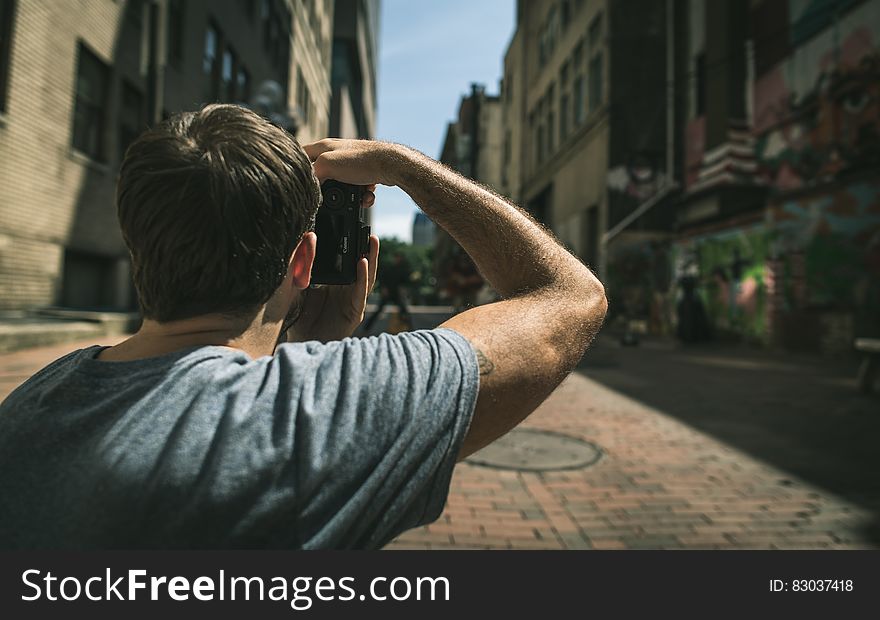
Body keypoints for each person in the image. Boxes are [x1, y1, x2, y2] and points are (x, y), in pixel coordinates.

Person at [0, 104, 607, 549]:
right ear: (302, 260)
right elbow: (570, 297)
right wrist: (407, 167)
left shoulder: (35, 398)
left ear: (139, 245)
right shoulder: (323, 409)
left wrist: (305, 349)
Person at [362, 251, 412, 333]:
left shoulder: (403, 269)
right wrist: (384, 289)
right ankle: (366, 327)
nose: (397, 259)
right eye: (396, 257)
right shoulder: (389, 268)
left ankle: (410, 329)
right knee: (379, 310)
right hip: (388, 293)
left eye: (398, 258)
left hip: (397, 294)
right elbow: (383, 280)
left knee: (404, 310)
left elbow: (405, 282)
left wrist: (403, 291)